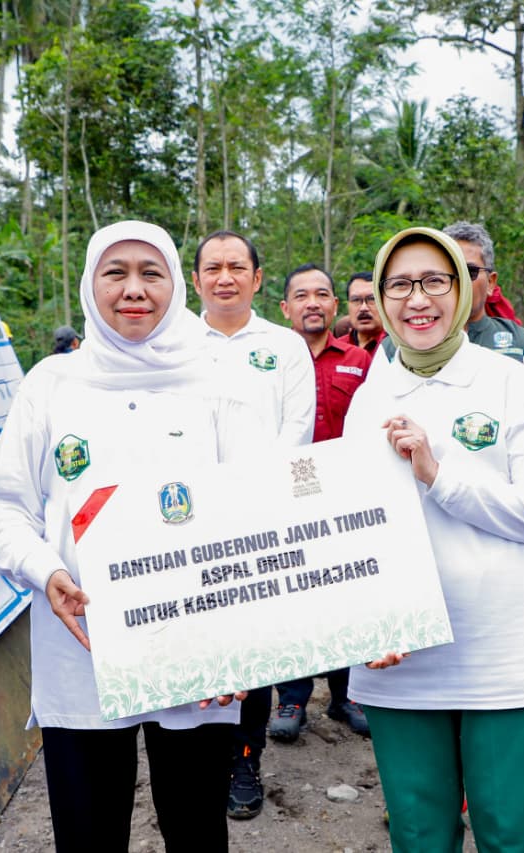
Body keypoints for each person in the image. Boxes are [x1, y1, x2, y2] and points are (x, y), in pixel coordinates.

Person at [0, 221, 252, 852]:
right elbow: (2, 506)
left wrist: (245, 638)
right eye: (116, 273)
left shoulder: (218, 382)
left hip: (197, 645)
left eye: (151, 273)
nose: (134, 290)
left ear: (176, 286)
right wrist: (45, 571)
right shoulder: (51, 383)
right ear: (90, 284)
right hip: (81, 644)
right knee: (88, 830)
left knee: (197, 826)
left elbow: (253, 511)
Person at [346, 226, 524, 852]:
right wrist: (361, 623)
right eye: (399, 285)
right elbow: (351, 534)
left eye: (434, 281)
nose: (416, 299)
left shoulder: (510, 380)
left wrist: (438, 474)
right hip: (403, 663)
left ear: (462, 288)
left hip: (509, 656)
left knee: (513, 836)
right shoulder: (369, 397)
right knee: (420, 836)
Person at [190, 229, 315, 819]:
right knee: (195, 637)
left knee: (253, 647)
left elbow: (298, 429)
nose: (224, 277)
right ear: (195, 280)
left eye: (236, 267)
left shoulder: (285, 346)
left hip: (260, 515)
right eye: (212, 268)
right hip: (186, 520)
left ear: (258, 279)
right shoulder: (174, 341)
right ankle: (194, 754)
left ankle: (245, 756)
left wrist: (252, 492)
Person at [273, 263, 373, 739]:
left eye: (322, 294)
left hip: (345, 496)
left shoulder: (361, 360)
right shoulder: (269, 362)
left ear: (336, 306)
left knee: (345, 594)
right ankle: (291, 700)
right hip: (284, 497)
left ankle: (345, 694)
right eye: (302, 295)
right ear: (285, 308)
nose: (313, 302)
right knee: (290, 598)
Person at [441, 221, 524, 380]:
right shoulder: (399, 349)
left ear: (491, 282)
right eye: (447, 272)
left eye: (470, 272)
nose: (459, 281)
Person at [342, 271, 387, 355]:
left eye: (371, 299)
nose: (363, 308)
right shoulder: (338, 349)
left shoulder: (396, 349)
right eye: (356, 300)